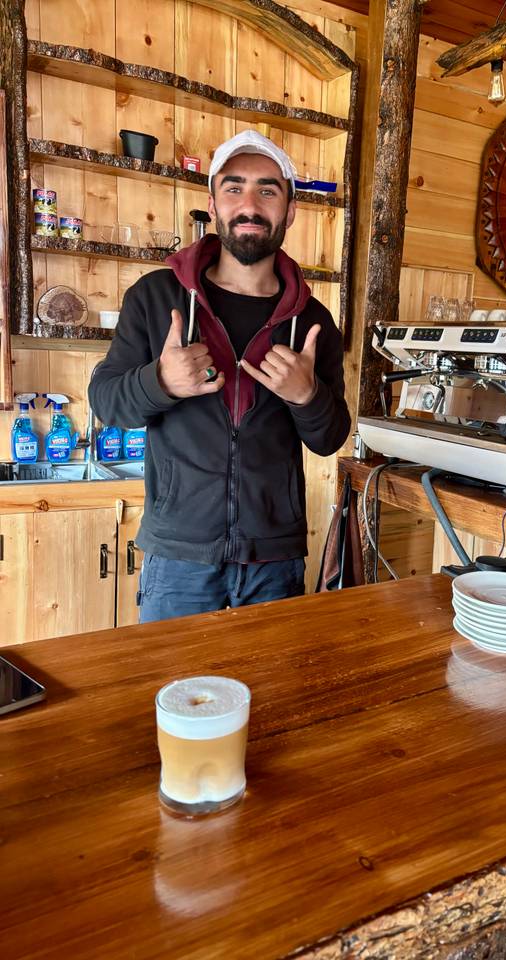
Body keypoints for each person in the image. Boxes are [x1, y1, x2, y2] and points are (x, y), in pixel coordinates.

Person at [89, 130, 351, 622]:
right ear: (213, 205)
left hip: (273, 559)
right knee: (170, 674)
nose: (249, 205)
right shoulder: (155, 297)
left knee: (273, 676)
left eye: (267, 191)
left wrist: (307, 395)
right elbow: (106, 401)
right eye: (234, 188)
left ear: (290, 211)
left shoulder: (313, 321)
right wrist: (160, 382)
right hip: (178, 557)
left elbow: (330, 437)